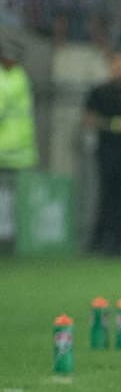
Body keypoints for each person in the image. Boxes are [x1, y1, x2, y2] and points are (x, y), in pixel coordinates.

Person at [83, 51, 121, 256]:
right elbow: (89, 119)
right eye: (116, 67)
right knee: (108, 195)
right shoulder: (100, 92)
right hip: (108, 151)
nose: (120, 72)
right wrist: (115, 125)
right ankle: (107, 241)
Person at [0, 35, 37, 252]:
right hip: (17, 148)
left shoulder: (13, 78)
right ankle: (9, 240)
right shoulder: (21, 77)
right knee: (9, 199)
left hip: (10, 148)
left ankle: (9, 241)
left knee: (10, 199)